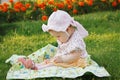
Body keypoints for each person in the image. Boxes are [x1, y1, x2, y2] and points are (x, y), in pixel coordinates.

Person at [18, 10, 90, 70]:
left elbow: (75, 56)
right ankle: (34, 64)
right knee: (50, 61)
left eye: (58, 36)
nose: (57, 39)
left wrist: (62, 59)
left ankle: (38, 68)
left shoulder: (76, 40)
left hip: (75, 61)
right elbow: (62, 50)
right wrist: (56, 58)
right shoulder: (65, 36)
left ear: (67, 29)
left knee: (55, 65)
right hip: (65, 57)